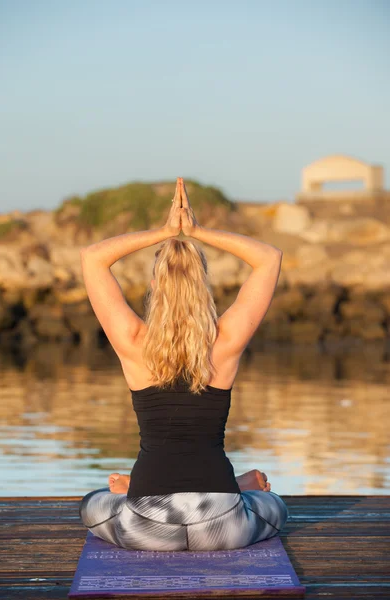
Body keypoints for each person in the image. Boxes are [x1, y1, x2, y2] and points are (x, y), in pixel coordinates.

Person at [78, 177, 288, 551]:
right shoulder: (224, 343)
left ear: (155, 286)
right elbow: (269, 257)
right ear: (203, 284)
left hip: (147, 522)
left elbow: (93, 258)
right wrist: (196, 231)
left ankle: (133, 489)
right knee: (275, 507)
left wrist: (162, 232)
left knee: (92, 505)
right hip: (222, 523)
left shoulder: (133, 342)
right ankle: (239, 487)